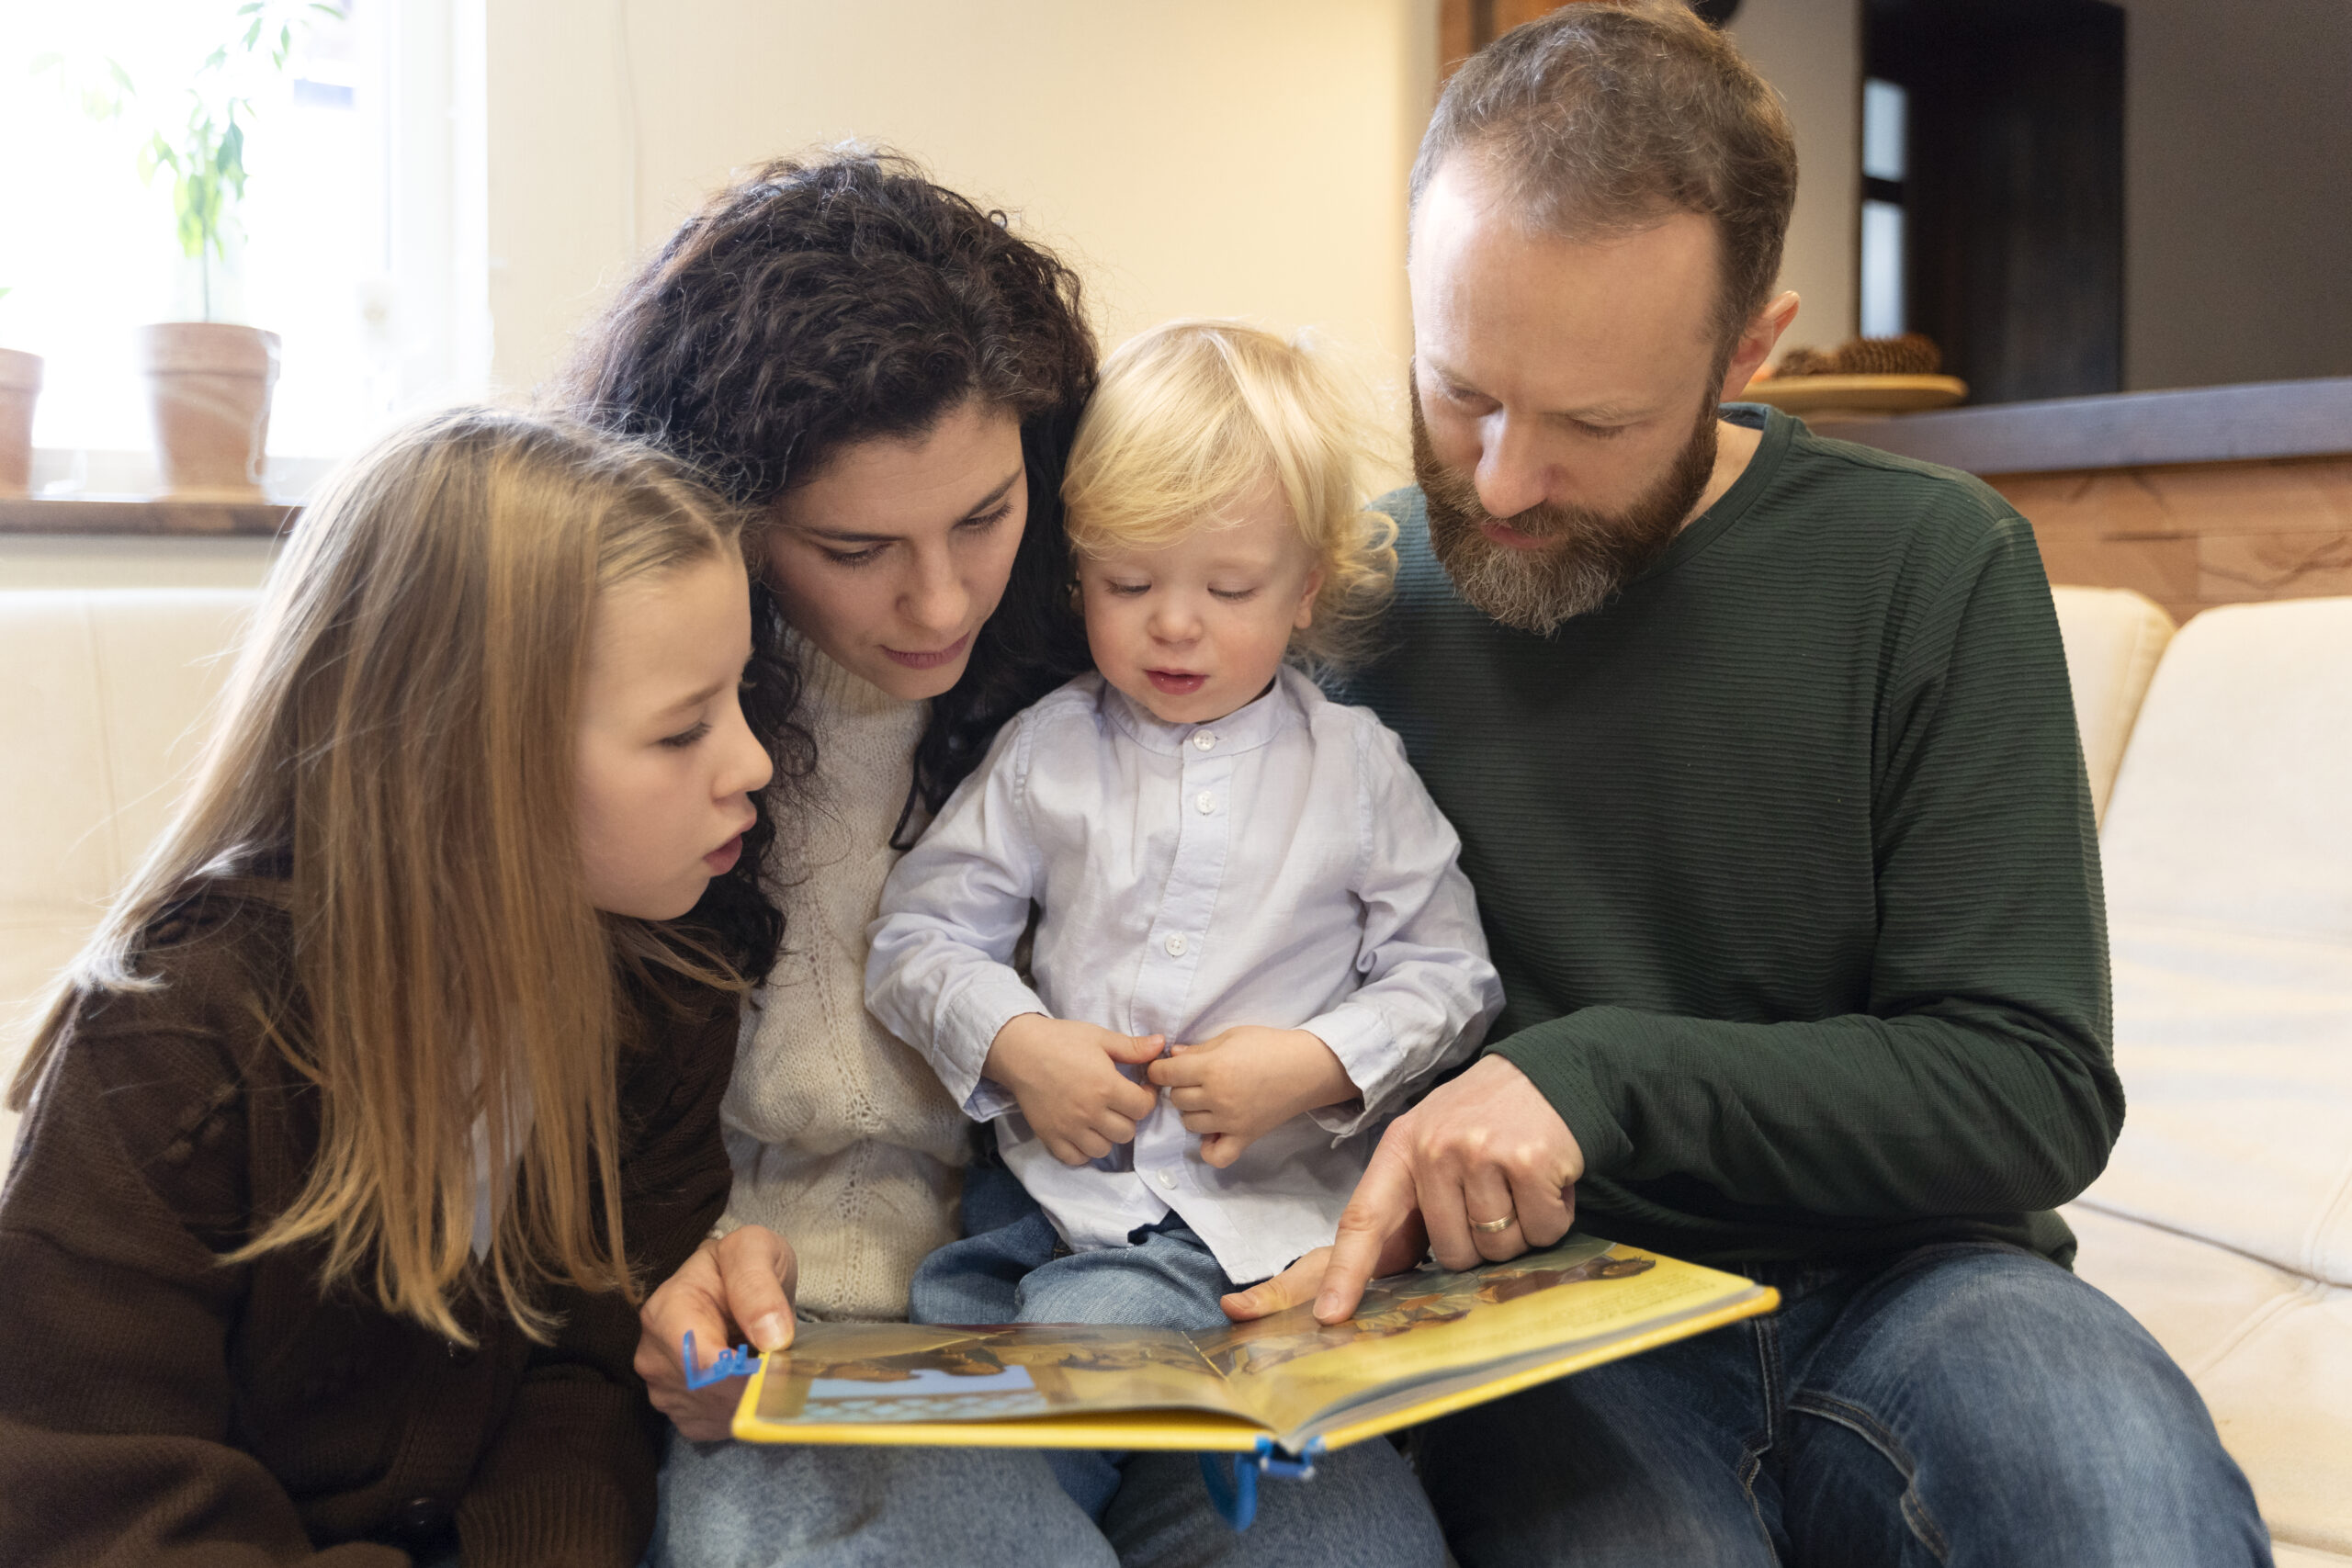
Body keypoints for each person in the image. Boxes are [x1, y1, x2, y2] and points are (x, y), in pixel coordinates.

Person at [1220, 6, 2276, 1566]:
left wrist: (1599, 1076)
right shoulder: (1335, 595)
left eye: (1595, 424)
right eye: (1462, 393)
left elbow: (2030, 1089)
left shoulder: (1931, 564)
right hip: (1546, 1316)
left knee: (2121, 1509)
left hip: (1928, 1289)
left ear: (1750, 350)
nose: (1505, 482)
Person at [566, 152, 1449, 1567]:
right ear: (725, 515)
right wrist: (657, 1283)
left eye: (986, 517)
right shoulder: (650, 721)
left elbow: (1413, 969)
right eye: (858, 546)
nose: (941, 599)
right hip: (800, 1336)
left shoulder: (1113, 668)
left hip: (1108, 1281)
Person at [0, 409, 775, 1566]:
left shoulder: (665, 1002)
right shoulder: (176, 1032)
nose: (753, 761)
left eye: (741, 696)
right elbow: (86, 1475)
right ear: (464, 762)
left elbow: (581, 1381)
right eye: (681, 733)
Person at [865, 319, 1502, 1518]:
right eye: (1128, 581)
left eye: (1228, 586)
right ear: (1077, 574)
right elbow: (917, 934)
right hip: (1068, 1224)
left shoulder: (1355, 768)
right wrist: (1019, 1042)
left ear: (1307, 584)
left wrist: (1316, 1063)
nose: (1173, 624)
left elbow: (1450, 970)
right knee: (1044, 1388)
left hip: (1279, 1238)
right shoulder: (1049, 750)